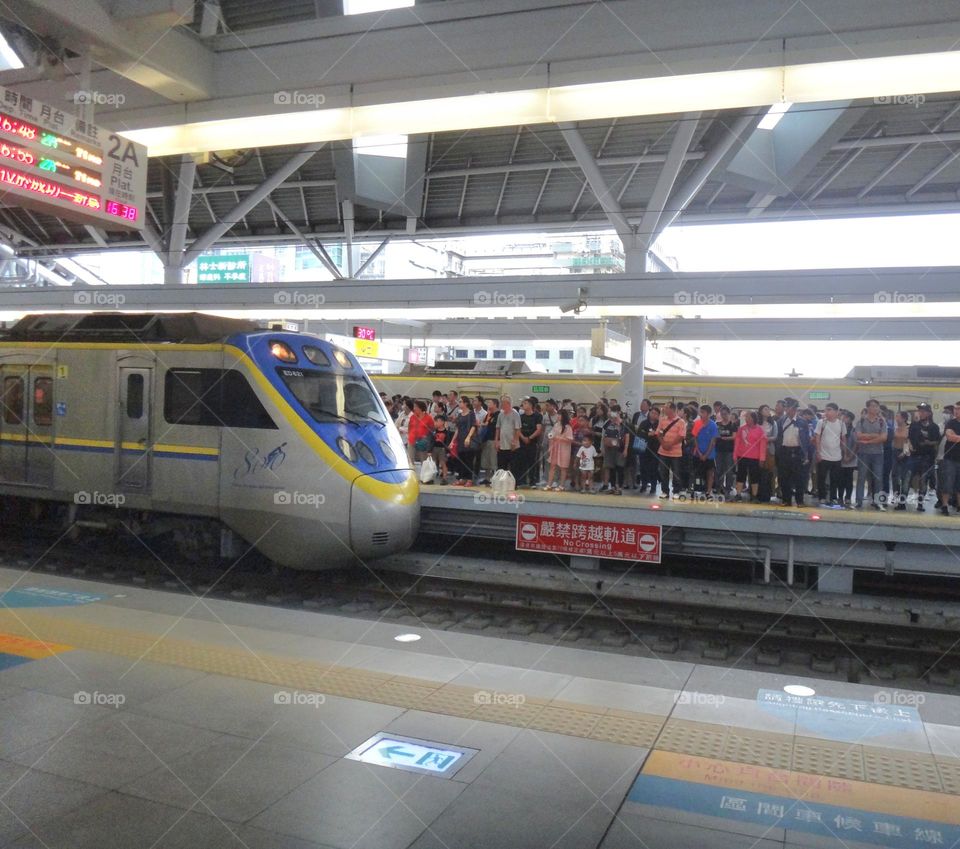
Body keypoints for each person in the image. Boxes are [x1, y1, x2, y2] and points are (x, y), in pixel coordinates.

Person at [855, 398, 888, 511]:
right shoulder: (861, 421)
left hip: (878, 454)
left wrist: (868, 439)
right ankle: (858, 501)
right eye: (872, 406)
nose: (874, 408)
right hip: (863, 453)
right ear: (868, 408)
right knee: (861, 478)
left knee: (878, 478)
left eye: (876, 406)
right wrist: (875, 435)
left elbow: (884, 437)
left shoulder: (882, 421)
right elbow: (859, 436)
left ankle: (878, 502)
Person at [776, 398, 809, 507]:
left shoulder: (802, 422)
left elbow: (805, 440)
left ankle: (800, 501)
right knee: (784, 477)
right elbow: (779, 437)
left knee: (799, 478)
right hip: (784, 451)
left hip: (797, 451)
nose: (786, 410)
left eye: (788, 407)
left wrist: (805, 455)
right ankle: (786, 500)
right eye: (786, 407)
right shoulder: (781, 421)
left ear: (794, 409)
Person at [909, 403, 940, 512]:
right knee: (909, 478)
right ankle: (903, 500)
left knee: (923, 481)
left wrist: (928, 443)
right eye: (920, 411)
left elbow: (937, 442)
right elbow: (909, 439)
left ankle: (920, 503)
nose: (921, 413)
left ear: (929, 413)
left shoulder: (934, 427)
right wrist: (910, 447)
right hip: (914, 456)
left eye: (923, 411)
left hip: (927, 457)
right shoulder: (914, 425)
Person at [813, 402, 846, 507]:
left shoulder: (841, 424)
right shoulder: (821, 422)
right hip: (823, 455)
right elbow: (817, 438)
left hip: (836, 456)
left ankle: (833, 498)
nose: (827, 412)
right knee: (821, 478)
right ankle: (822, 497)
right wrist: (818, 452)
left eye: (829, 410)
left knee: (834, 479)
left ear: (836, 412)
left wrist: (844, 453)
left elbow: (843, 439)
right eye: (826, 410)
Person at [733, 410, 766, 501]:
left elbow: (762, 445)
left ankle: (754, 496)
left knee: (754, 477)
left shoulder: (760, 430)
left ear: (753, 418)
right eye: (746, 417)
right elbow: (737, 442)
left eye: (748, 416)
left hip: (755, 458)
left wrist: (762, 458)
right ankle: (738, 494)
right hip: (742, 456)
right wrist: (735, 455)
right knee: (740, 476)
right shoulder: (742, 429)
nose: (746, 418)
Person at [656, 402, 686, 499]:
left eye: (666, 408)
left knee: (676, 472)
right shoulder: (662, 420)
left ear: (672, 409)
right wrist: (663, 443)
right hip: (663, 451)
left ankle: (676, 491)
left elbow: (681, 436)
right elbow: (658, 433)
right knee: (663, 472)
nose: (664, 410)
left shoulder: (681, 422)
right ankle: (665, 491)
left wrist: (670, 444)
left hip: (676, 453)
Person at [516, 397, 543, 487]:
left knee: (532, 462)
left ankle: (532, 481)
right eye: (523, 403)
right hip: (522, 442)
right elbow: (518, 429)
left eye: (525, 403)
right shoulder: (520, 417)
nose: (523, 405)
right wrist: (523, 438)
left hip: (532, 442)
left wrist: (530, 438)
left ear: (531, 405)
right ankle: (521, 480)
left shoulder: (537, 416)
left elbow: (538, 429)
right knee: (521, 461)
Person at [939, 401, 960, 516]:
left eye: (959, 409)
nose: (956, 411)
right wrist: (954, 437)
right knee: (947, 482)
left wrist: (956, 436)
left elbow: (954, 436)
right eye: (955, 409)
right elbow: (950, 437)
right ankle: (945, 505)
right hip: (950, 458)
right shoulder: (951, 423)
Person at [544, 409, 574, 491]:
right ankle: (549, 484)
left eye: (560, 415)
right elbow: (551, 434)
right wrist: (551, 437)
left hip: (564, 449)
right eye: (558, 414)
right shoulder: (556, 425)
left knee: (563, 467)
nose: (558, 416)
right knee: (552, 466)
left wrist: (558, 438)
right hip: (555, 448)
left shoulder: (568, 427)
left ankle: (561, 485)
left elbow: (570, 439)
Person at [451, 397, 478, 486]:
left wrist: (468, 437)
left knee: (469, 460)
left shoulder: (471, 414)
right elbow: (457, 429)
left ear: (466, 403)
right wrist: (452, 441)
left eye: (461, 402)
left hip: (468, 439)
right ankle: (462, 478)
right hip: (460, 439)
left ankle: (469, 479)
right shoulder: (460, 414)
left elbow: (473, 426)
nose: (459, 403)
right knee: (461, 460)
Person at [693, 405, 719, 496]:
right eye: (700, 412)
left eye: (703, 412)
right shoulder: (696, 423)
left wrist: (706, 455)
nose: (701, 414)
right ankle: (696, 489)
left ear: (708, 414)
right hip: (698, 453)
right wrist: (699, 453)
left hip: (710, 454)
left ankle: (708, 491)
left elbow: (713, 442)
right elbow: (695, 438)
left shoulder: (713, 425)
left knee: (709, 472)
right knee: (696, 472)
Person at [600, 410, 628, 494]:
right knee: (611, 468)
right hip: (609, 449)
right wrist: (604, 448)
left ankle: (619, 488)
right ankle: (612, 487)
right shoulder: (608, 423)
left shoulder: (624, 424)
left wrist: (626, 449)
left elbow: (627, 437)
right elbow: (604, 436)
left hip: (620, 449)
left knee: (620, 468)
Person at [495, 395, 521, 475]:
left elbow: (518, 429)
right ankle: (501, 483)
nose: (501, 405)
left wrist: (515, 441)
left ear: (508, 403)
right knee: (501, 466)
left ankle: (513, 483)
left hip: (512, 445)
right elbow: (498, 428)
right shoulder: (500, 414)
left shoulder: (515, 414)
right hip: (502, 445)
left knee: (513, 467)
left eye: (502, 403)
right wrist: (496, 441)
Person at [892, 411, 912, 510]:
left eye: (898, 417)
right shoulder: (895, 428)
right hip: (894, 452)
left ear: (904, 418)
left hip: (905, 453)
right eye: (896, 416)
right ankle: (896, 495)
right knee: (895, 476)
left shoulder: (909, 429)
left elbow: (909, 442)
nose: (896, 418)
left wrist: (904, 452)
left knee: (905, 478)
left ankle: (902, 501)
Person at [638, 406, 660, 494]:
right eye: (652, 413)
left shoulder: (659, 424)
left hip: (655, 450)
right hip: (644, 449)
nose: (653, 415)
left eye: (656, 414)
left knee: (654, 469)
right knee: (643, 468)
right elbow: (639, 434)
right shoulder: (643, 423)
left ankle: (653, 487)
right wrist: (648, 434)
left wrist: (656, 433)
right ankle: (643, 485)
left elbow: (662, 434)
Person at [715, 406, 737, 496]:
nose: (724, 416)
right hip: (719, 450)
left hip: (729, 450)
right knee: (718, 469)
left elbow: (734, 437)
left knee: (729, 470)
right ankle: (718, 487)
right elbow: (715, 436)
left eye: (725, 414)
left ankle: (728, 487)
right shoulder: (717, 424)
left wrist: (725, 438)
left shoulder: (733, 425)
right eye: (722, 414)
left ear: (729, 414)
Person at [839, 410, 858, 508]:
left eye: (845, 417)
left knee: (849, 479)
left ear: (850, 420)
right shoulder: (839, 429)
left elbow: (856, 444)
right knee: (840, 479)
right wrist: (842, 456)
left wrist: (850, 456)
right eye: (843, 417)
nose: (843, 418)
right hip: (840, 458)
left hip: (850, 459)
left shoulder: (853, 430)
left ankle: (848, 497)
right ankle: (840, 497)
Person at [479, 398, 500, 485]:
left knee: (493, 461)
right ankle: (487, 478)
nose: (488, 404)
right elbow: (483, 425)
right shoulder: (488, 414)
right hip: (485, 440)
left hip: (493, 439)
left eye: (490, 403)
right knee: (486, 460)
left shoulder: (499, 415)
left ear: (495, 404)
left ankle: (494, 479)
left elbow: (497, 428)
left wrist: (497, 440)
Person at [408, 400, 433, 465]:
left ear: (421, 408)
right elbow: (409, 427)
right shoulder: (412, 417)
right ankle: (411, 473)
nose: (414, 408)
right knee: (410, 459)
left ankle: (424, 474)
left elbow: (432, 430)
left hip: (422, 442)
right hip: (412, 440)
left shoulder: (429, 418)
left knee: (423, 460)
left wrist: (427, 438)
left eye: (415, 407)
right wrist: (409, 435)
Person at [431, 413, 450, 483]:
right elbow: (431, 440)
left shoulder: (446, 432)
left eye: (437, 421)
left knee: (443, 463)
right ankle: (431, 477)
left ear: (442, 422)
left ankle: (444, 478)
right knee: (433, 463)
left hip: (442, 449)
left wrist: (448, 451)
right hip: (434, 448)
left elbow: (448, 442)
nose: (435, 423)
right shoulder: (434, 431)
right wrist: (429, 450)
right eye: (435, 421)